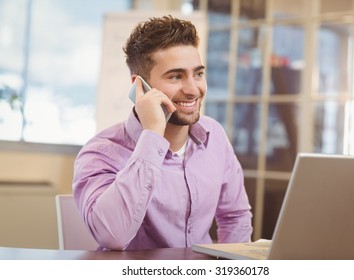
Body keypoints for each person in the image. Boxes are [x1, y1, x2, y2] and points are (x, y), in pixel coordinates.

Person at [73, 15, 253, 251]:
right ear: (140, 86)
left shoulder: (214, 135)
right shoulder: (101, 152)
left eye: (198, 74)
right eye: (176, 76)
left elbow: (235, 216)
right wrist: (153, 136)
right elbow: (113, 236)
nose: (192, 89)